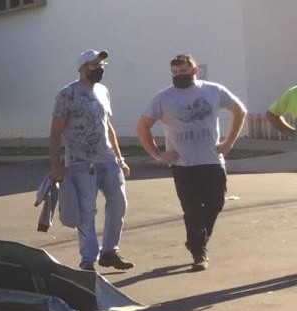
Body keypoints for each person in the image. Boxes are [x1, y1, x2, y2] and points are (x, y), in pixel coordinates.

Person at [136, 54, 246, 272]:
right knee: (192, 210)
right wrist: (158, 154)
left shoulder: (212, 90)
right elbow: (142, 127)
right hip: (183, 166)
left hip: (212, 161)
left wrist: (228, 142)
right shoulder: (163, 98)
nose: (179, 76)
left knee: (216, 204)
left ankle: (198, 240)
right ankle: (199, 253)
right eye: (175, 73)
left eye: (183, 72)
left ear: (195, 71)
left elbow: (239, 110)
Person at [49, 49, 133, 271]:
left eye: (102, 65)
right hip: (80, 163)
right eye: (95, 65)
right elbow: (56, 130)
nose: (100, 69)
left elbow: (109, 126)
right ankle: (88, 259)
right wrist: (56, 165)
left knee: (119, 204)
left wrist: (120, 158)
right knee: (86, 210)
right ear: (82, 67)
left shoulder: (103, 91)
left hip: (107, 159)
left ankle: (110, 252)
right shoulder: (67, 94)